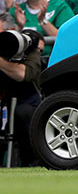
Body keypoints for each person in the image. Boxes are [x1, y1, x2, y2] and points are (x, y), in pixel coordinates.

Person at [0, 11, 44, 167]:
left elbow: (24, 74)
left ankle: (33, 164)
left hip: (27, 103)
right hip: (3, 103)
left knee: (23, 112)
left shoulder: (27, 47)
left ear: (11, 31)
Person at [10, 0, 74, 57]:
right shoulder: (16, 10)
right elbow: (8, 45)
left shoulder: (61, 8)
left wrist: (42, 21)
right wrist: (19, 27)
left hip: (50, 61)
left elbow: (67, 40)